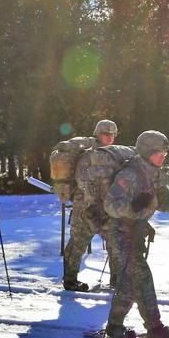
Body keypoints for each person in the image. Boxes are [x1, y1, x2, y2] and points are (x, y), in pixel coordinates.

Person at [103, 130, 169, 338]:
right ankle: (155, 328)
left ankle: (115, 326)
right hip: (121, 232)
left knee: (128, 282)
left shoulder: (156, 174)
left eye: (164, 153)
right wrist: (132, 205)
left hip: (137, 233)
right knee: (142, 277)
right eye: (158, 152)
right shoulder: (129, 175)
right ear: (146, 152)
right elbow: (110, 204)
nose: (163, 156)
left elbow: (165, 201)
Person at [63, 119, 118, 292]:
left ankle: (116, 280)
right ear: (98, 134)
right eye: (106, 134)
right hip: (86, 205)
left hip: (106, 206)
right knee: (79, 242)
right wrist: (98, 194)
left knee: (114, 241)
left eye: (112, 134)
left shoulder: (114, 154)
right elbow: (81, 180)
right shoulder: (88, 155)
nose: (109, 137)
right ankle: (70, 280)